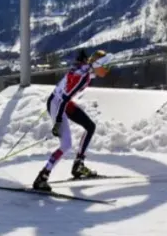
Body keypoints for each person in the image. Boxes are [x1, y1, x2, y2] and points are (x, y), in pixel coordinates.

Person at [32, 49, 111, 191]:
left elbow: (85, 69)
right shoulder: (83, 78)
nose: (107, 70)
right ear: (98, 65)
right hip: (59, 103)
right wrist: (58, 122)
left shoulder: (87, 70)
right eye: (106, 66)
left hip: (61, 101)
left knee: (90, 126)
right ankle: (42, 177)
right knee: (66, 145)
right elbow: (65, 98)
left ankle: (78, 165)